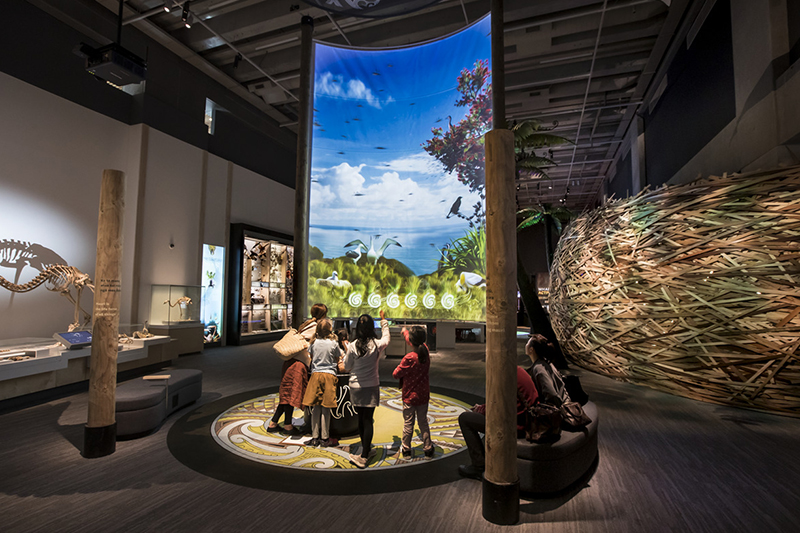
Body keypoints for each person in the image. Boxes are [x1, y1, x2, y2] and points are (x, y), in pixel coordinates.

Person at [457, 347, 539, 479]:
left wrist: (481, 409)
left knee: (465, 418)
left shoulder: (504, 376)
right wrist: (482, 408)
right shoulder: (518, 371)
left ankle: (478, 465)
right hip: (527, 420)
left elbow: (497, 408)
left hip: (516, 426)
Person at [267, 303, 327, 433]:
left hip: (290, 362)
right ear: (323, 315)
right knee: (291, 395)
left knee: (287, 394)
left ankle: (273, 423)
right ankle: (287, 425)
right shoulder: (315, 327)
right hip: (298, 364)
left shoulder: (306, 325)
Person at [343, 309, 390, 468]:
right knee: (368, 419)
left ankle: (365, 453)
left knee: (360, 419)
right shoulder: (376, 345)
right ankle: (366, 452)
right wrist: (383, 320)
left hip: (355, 387)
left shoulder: (352, 346)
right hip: (371, 387)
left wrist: (346, 352)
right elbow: (386, 338)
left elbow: (347, 366)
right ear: (372, 328)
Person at [392, 325, 434, 459]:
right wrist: (405, 332)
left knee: (408, 424)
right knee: (423, 423)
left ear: (411, 340)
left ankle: (406, 449)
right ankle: (428, 448)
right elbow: (413, 341)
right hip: (423, 395)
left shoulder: (409, 358)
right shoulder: (425, 351)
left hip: (409, 396)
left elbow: (396, 374)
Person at [302, 318, 340, 446]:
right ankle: (325, 437)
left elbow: (311, 358)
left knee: (316, 407)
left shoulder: (314, 343)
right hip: (329, 376)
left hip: (315, 375)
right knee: (326, 408)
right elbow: (337, 358)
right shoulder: (334, 343)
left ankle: (314, 437)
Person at [526, 334, 568, 406]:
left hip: (555, 409)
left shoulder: (538, 368)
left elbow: (551, 394)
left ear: (531, 349)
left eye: (527, 343)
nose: (526, 344)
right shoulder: (547, 363)